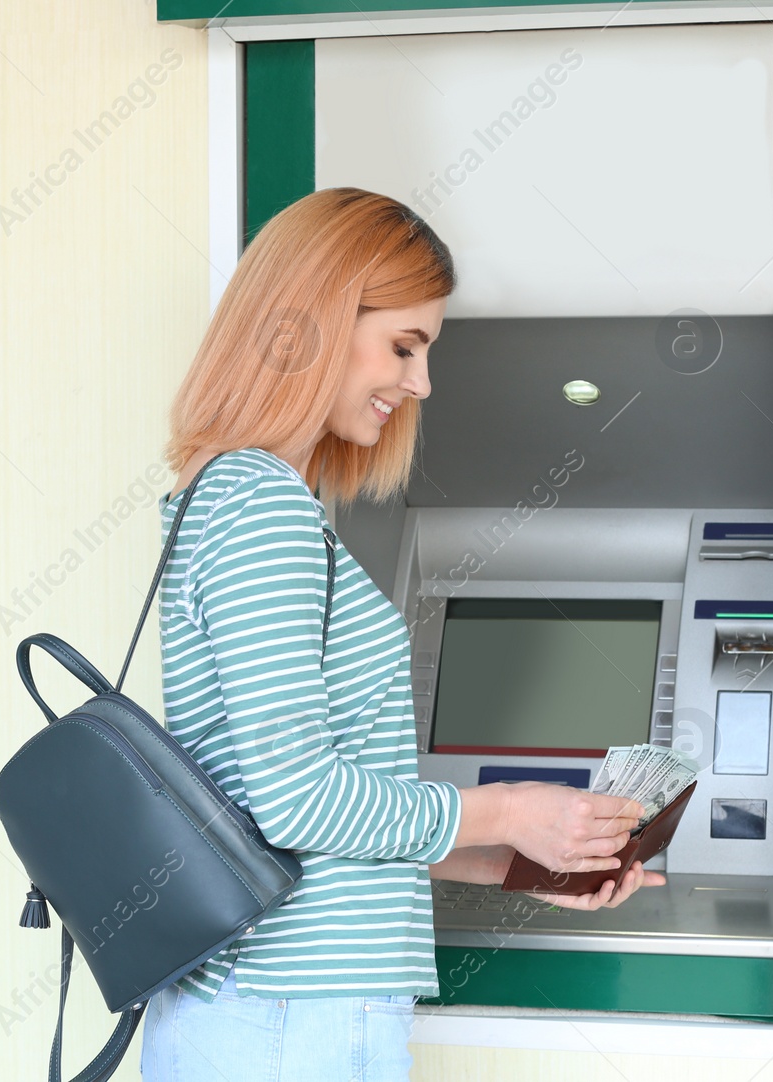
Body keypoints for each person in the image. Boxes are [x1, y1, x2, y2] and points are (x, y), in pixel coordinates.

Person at [138, 187, 665, 1082]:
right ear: (310, 323)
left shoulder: (244, 500)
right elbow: (298, 799)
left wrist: (520, 864)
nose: (419, 384)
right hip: (286, 1018)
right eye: (404, 346)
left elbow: (305, 830)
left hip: (280, 1011)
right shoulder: (260, 504)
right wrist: (509, 806)